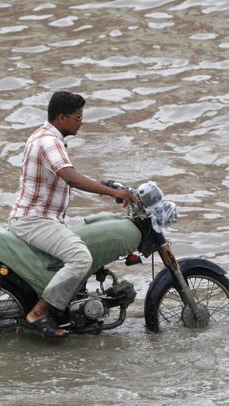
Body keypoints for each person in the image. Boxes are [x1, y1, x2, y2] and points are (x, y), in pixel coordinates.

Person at [8, 91, 138, 337]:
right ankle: (38, 313)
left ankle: (69, 306)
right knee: (80, 258)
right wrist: (112, 193)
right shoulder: (49, 142)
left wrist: (106, 185)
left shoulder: (44, 136)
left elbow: (67, 176)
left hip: (39, 217)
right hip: (36, 220)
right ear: (61, 118)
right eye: (78, 118)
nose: (81, 122)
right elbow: (71, 177)